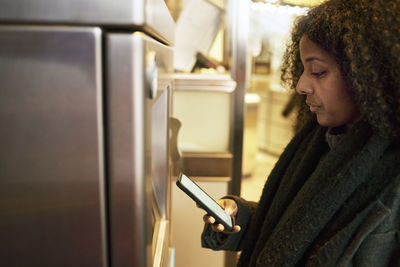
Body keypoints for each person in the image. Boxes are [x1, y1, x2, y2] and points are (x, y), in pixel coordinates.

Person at [200, 0, 400, 266]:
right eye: (304, 70)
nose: (301, 85)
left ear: (367, 74)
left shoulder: (391, 178)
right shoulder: (318, 141)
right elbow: (293, 228)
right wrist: (242, 216)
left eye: (318, 71)